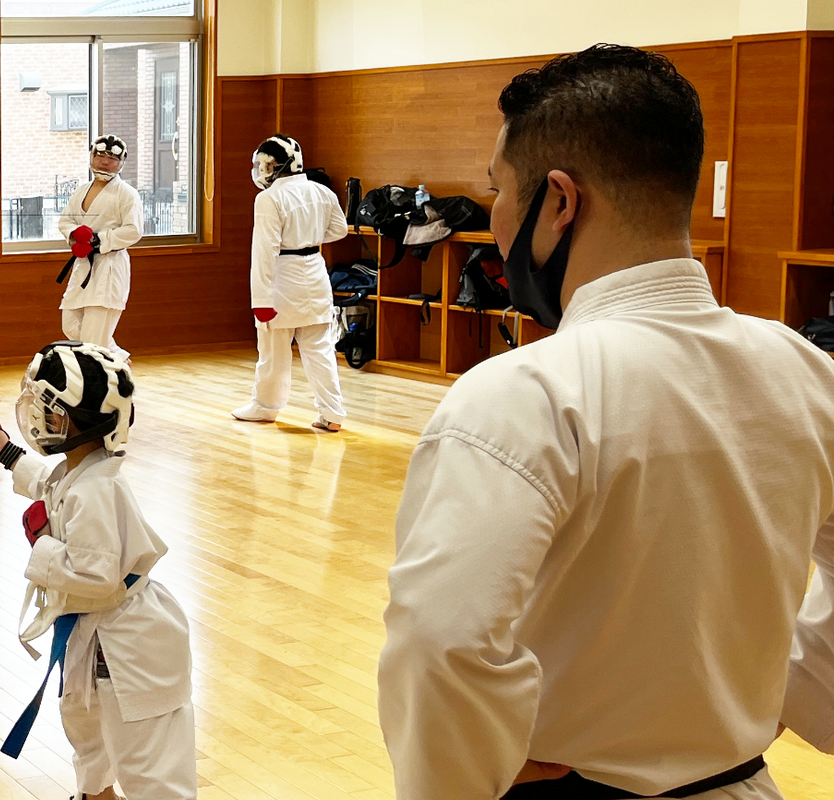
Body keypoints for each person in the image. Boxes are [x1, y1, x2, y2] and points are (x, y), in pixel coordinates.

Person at [378, 44, 834, 800]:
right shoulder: (806, 371)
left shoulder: (527, 393)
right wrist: (794, 689)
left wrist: (469, 772)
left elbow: (442, 639)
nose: (495, 219)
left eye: (498, 190)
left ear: (560, 202)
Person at [0, 341, 195, 800]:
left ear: (72, 420)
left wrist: (43, 543)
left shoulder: (96, 488)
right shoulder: (83, 469)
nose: (37, 415)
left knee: (148, 761)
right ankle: (96, 796)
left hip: (130, 643)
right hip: (97, 636)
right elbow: (49, 484)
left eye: (46, 408)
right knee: (89, 732)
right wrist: (7, 454)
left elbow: (97, 577)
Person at [232, 135, 350, 431]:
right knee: (320, 348)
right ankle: (333, 413)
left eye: (265, 165)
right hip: (315, 271)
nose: (261, 171)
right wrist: (308, 237)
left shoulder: (269, 198)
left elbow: (264, 252)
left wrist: (260, 300)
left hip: (282, 277)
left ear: (275, 165)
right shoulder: (322, 191)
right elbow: (339, 230)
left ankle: (265, 406)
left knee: (273, 351)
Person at [55, 135, 143, 361]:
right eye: (100, 155)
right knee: (70, 325)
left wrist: (98, 240)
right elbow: (66, 220)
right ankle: (118, 358)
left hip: (109, 268)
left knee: (93, 337)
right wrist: (75, 234)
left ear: (122, 162)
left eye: (112, 158)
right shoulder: (81, 190)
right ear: (91, 156)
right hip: (83, 266)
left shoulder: (126, 193)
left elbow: (133, 230)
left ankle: (103, 373)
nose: (105, 162)